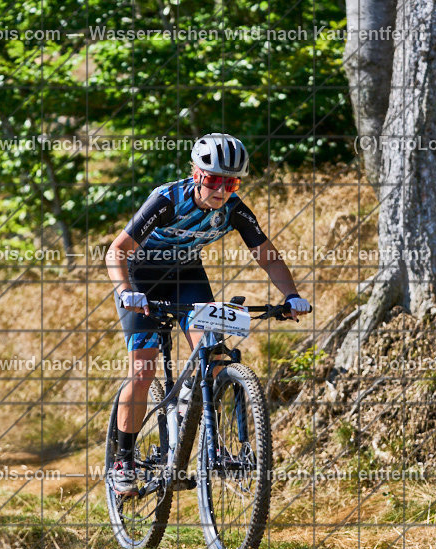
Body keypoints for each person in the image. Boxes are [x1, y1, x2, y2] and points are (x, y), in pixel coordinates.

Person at [104, 133, 312, 497]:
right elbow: (117, 251)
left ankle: (204, 436)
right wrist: (126, 293)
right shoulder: (167, 199)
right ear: (195, 173)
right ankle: (123, 459)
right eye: (213, 179)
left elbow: (266, 254)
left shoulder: (233, 209)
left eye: (230, 182)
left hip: (187, 277)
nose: (220, 190)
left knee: (214, 357)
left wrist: (290, 295)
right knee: (143, 370)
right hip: (143, 279)